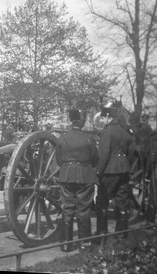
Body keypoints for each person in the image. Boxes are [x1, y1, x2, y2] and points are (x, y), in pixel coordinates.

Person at [55, 109, 99, 252]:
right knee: (83, 210)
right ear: (82, 123)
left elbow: (59, 160)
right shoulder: (88, 139)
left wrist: (69, 167)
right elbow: (95, 160)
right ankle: (84, 244)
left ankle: (66, 244)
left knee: (67, 209)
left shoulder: (63, 138)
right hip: (85, 176)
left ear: (71, 122)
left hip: (66, 175)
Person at [95, 106, 132, 242]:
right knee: (122, 203)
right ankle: (121, 235)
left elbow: (104, 155)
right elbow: (131, 154)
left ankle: (102, 235)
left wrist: (98, 172)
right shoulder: (126, 133)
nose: (102, 120)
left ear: (109, 118)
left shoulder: (106, 132)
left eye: (103, 118)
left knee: (102, 202)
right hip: (124, 171)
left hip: (109, 171)